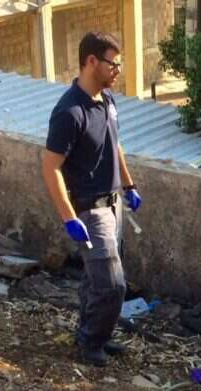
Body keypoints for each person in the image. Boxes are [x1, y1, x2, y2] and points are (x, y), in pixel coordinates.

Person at [41, 31, 143, 367]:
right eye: (113, 64)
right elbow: (51, 168)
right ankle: (91, 342)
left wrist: (129, 185)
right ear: (91, 61)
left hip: (113, 205)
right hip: (90, 210)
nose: (118, 71)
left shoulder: (108, 101)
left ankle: (93, 334)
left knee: (94, 278)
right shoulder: (69, 112)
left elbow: (114, 144)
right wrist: (69, 217)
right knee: (112, 284)